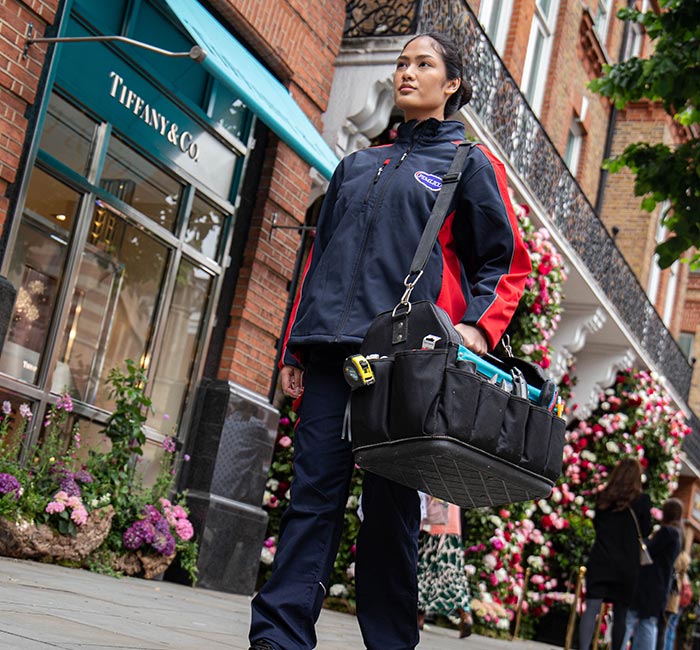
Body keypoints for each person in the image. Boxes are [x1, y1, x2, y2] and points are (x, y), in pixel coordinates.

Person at [248, 31, 531, 650]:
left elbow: (506, 263)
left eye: (423, 64)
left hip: (409, 364)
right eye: (402, 63)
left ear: (450, 84)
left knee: (390, 514)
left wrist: (477, 327)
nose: (407, 73)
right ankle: (278, 636)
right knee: (312, 498)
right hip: (330, 353)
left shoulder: (468, 164)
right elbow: (320, 259)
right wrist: (297, 346)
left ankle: (390, 642)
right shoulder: (357, 164)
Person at [578, 458, 652, 650]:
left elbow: (597, 525)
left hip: (601, 559)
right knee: (621, 614)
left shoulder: (603, 497)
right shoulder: (643, 501)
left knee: (591, 608)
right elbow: (645, 530)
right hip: (627, 565)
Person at [623, 498, 683, 649]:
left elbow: (649, 551)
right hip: (661, 586)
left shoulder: (667, 532)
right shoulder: (678, 535)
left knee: (631, 619)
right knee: (648, 623)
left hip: (648, 584)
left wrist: (643, 541)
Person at [417, 500, 473, 638]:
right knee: (452, 574)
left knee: (425, 568)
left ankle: (419, 616)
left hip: (434, 517)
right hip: (452, 524)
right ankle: (465, 614)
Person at [663, 550, 691, 650]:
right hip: (678, 599)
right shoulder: (685, 562)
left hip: (674, 599)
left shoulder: (680, 558)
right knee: (671, 629)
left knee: (667, 629)